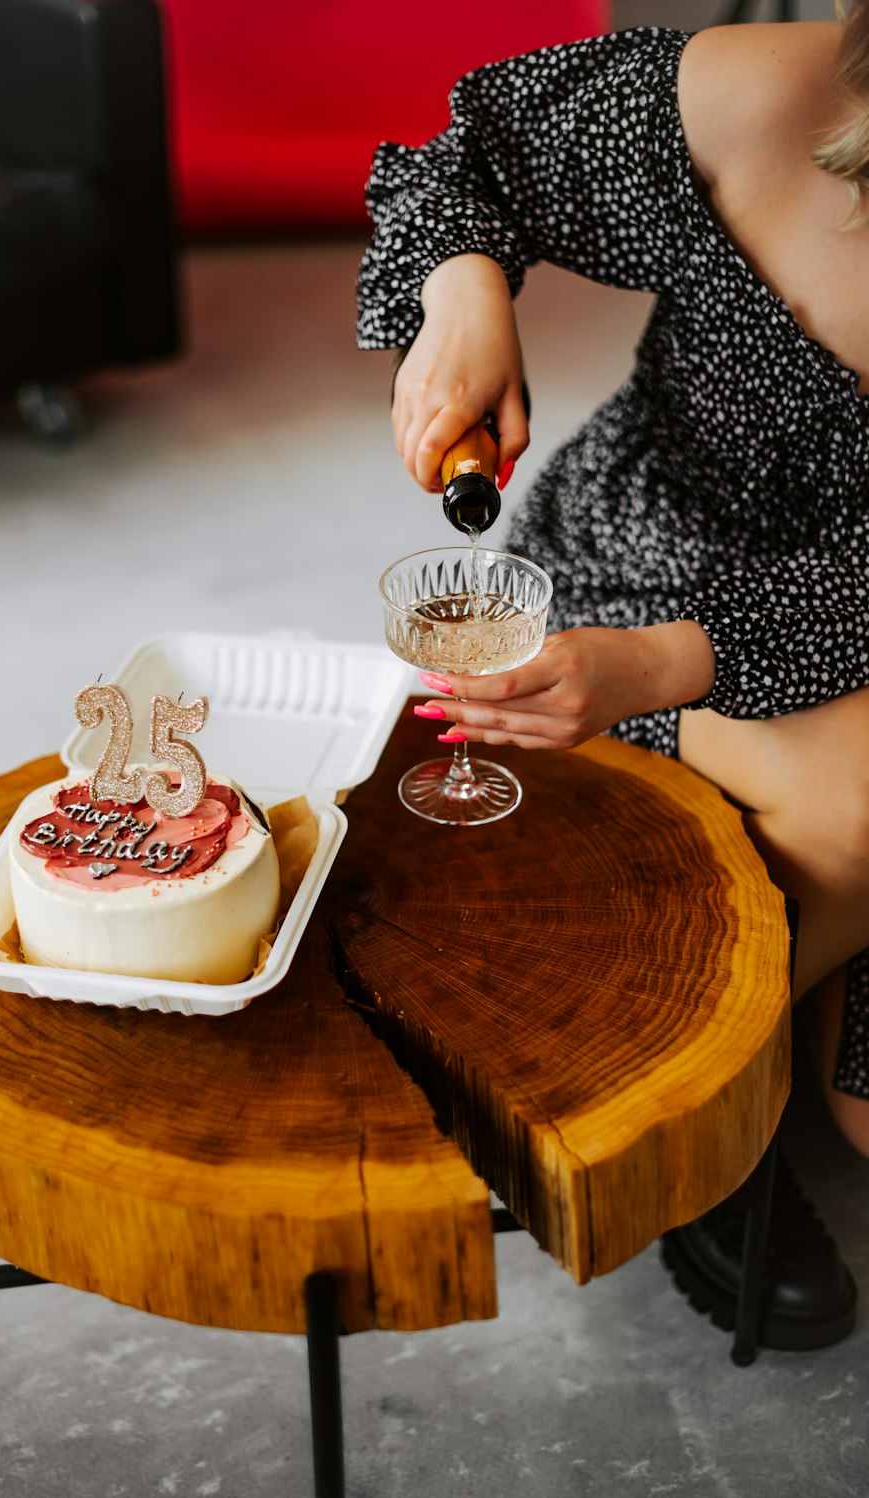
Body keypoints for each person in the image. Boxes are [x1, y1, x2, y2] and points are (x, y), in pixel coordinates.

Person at [356, 11, 869, 1350]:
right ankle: (695, 1120)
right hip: (638, 560)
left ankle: (757, 986)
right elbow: (463, 156)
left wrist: (666, 666)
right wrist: (465, 289)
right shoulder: (778, 91)